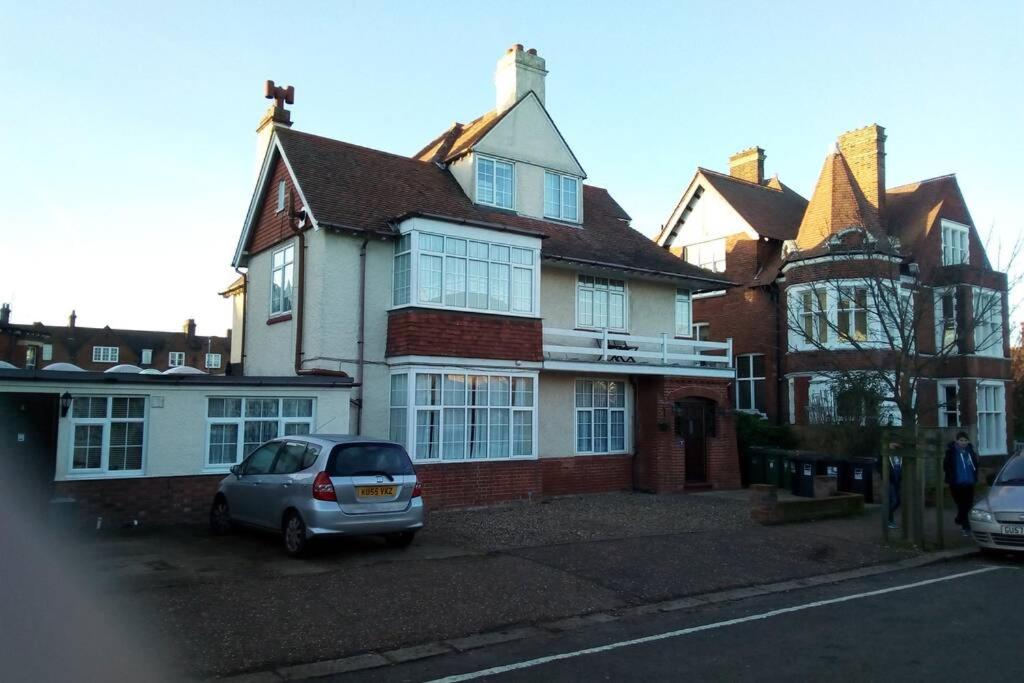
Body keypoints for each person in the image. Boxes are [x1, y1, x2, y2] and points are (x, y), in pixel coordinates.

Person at [943, 431, 979, 536]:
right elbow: (945, 465)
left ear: (968, 441)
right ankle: (963, 523)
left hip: (969, 482)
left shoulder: (970, 451)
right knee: (961, 505)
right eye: (961, 440)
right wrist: (951, 475)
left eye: (965, 440)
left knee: (967, 505)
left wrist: (975, 472)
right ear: (957, 441)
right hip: (956, 483)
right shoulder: (951, 452)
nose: (963, 442)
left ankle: (963, 524)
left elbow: (975, 465)